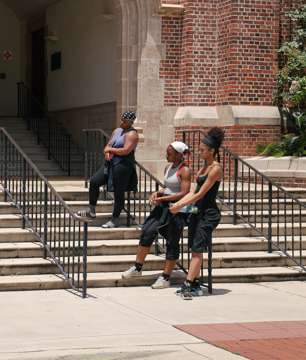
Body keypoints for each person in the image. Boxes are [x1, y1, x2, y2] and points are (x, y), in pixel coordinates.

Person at [121, 142, 192, 288]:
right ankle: (138, 268)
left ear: (178, 155)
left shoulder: (185, 170)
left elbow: (184, 193)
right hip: (163, 206)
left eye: (169, 153)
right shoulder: (168, 167)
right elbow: (167, 188)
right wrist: (157, 193)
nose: (166, 156)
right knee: (147, 231)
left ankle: (166, 278)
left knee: (172, 242)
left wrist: (163, 198)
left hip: (176, 208)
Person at [169, 127, 225, 300]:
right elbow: (192, 193)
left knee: (197, 251)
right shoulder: (203, 169)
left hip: (209, 214)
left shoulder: (216, 169)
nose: (199, 152)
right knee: (193, 248)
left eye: (202, 150)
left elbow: (201, 194)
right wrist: (178, 203)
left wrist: (178, 206)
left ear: (212, 151)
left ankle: (186, 286)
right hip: (196, 211)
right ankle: (196, 285)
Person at [78, 110, 139, 228]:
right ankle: (91, 211)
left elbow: (125, 150)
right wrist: (107, 152)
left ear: (131, 123)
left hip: (123, 165)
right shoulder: (117, 131)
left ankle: (114, 219)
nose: (121, 122)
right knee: (95, 182)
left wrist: (110, 151)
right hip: (110, 163)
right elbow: (108, 145)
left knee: (118, 192)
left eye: (124, 121)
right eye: (121, 119)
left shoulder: (132, 134)